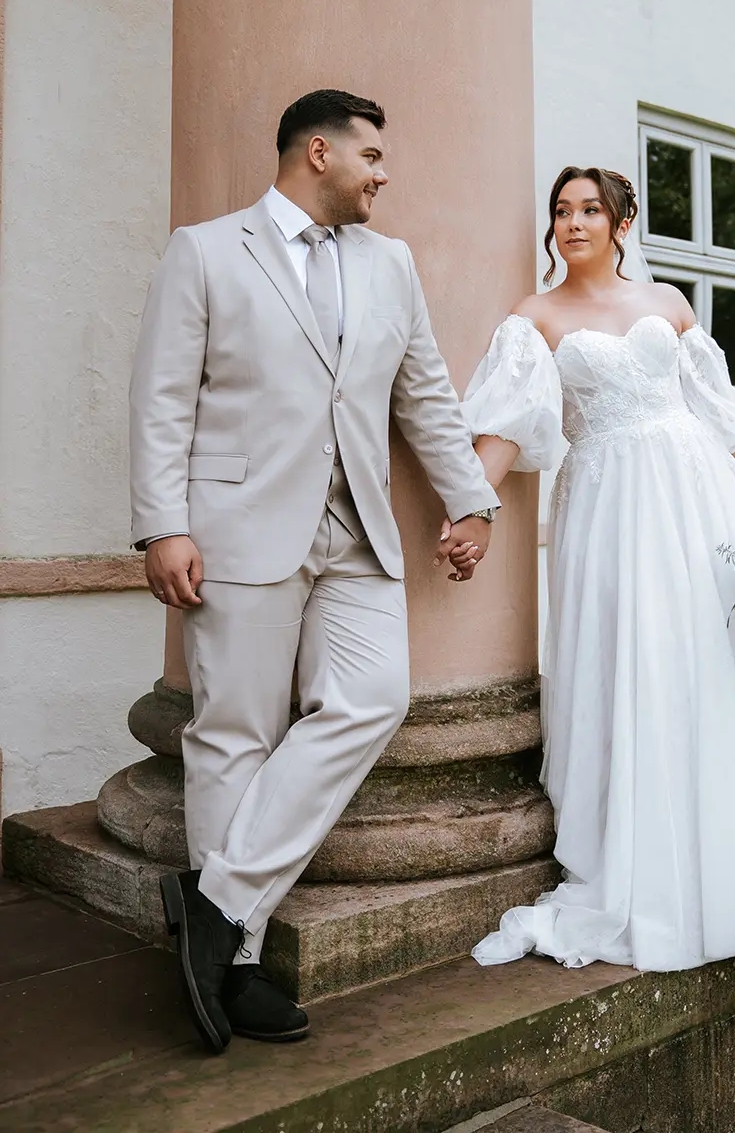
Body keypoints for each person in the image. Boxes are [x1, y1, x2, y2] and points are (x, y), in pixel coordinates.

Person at [129, 89, 499, 1053]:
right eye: (372, 155)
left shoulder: (392, 263)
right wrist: (161, 523)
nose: (384, 174)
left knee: (373, 699)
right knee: (236, 733)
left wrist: (471, 498)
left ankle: (212, 907)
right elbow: (163, 395)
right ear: (318, 152)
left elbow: (422, 391)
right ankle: (237, 963)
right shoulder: (206, 250)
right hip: (238, 527)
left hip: (357, 535)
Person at [456, 165, 735, 974]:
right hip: (611, 505)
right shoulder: (536, 319)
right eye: (561, 211)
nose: (572, 222)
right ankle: (638, 865)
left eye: (590, 209)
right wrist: (471, 507)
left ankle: (730, 870)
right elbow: (503, 429)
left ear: (622, 222)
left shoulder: (668, 306)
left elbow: (722, 418)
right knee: (631, 665)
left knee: (709, 670)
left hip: (702, 501)